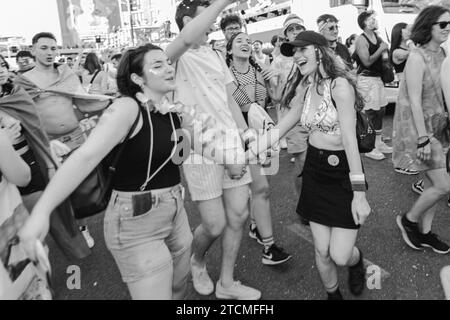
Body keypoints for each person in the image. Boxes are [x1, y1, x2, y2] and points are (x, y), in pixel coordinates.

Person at [19, 0, 246, 300]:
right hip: (135, 219)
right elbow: (86, 157)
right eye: (159, 65)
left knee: (178, 288)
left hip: (175, 212)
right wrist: (42, 213)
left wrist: (237, 155)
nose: (169, 69)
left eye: (168, 64)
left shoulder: (173, 110)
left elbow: (201, 144)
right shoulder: (127, 108)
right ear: (138, 78)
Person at [248, 31, 371, 300]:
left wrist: (359, 194)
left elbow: (350, 141)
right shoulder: (305, 87)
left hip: (342, 174)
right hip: (315, 171)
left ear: (319, 50)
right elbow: (282, 126)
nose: (298, 56)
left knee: (340, 254)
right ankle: (332, 295)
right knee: (321, 250)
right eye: (294, 52)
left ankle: (356, 261)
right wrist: (248, 151)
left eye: (303, 50)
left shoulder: (339, 86)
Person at [175, 0, 261, 300]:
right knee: (214, 224)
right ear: (188, 21)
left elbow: (230, 101)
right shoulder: (172, 56)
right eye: (206, 18)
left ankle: (226, 283)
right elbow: (186, 38)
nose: (212, 24)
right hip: (198, 148)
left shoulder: (213, 54)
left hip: (231, 143)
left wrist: (246, 135)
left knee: (238, 215)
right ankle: (196, 260)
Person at [15, 32, 111, 249]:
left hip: (76, 137)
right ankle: (67, 231)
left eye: (53, 48)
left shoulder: (66, 74)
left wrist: (111, 103)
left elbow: (83, 101)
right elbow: (25, 116)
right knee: (59, 189)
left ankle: (82, 226)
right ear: (33, 50)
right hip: (49, 145)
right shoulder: (24, 82)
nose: (50, 52)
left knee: (81, 187)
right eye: (44, 48)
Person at [226, 31, 291, 265]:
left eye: (247, 40)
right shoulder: (225, 74)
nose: (245, 43)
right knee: (261, 188)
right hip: (240, 134)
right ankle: (269, 247)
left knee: (261, 187)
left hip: (263, 130)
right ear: (230, 49)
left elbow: (276, 99)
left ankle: (255, 226)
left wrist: (276, 79)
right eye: (238, 41)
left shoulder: (259, 69)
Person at [393, 5, 450, 255]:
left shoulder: (443, 53)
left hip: (438, 126)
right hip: (420, 129)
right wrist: (423, 139)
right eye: (443, 24)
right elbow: (414, 100)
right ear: (429, 26)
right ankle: (409, 219)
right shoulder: (417, 57)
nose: (448, 29)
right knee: (443, 186)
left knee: (430, 184)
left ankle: (425, 234)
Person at [354, 10, 392, 161]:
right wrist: (382, 49)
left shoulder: (377, 36)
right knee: (369, 112)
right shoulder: (360, 40)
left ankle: (378, 142)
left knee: (381, 111)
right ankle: (370, 147)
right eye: (371, 19)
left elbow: (383, 58)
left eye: (374, 18)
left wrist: (385, 50)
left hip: (377, 79)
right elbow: (367, 61)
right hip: (365, 80)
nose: (375, 21)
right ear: (364, 23)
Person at [389, 23, 419, 176]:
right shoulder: (397, 51)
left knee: (413, 126)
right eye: (407, 28)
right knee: (405, 128)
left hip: (413, 88)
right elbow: (415, 53)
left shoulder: (410, 47)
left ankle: (412, 159)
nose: (410, 30)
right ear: (399, 32)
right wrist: (410, 41)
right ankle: (402, 163)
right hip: (405, 90)